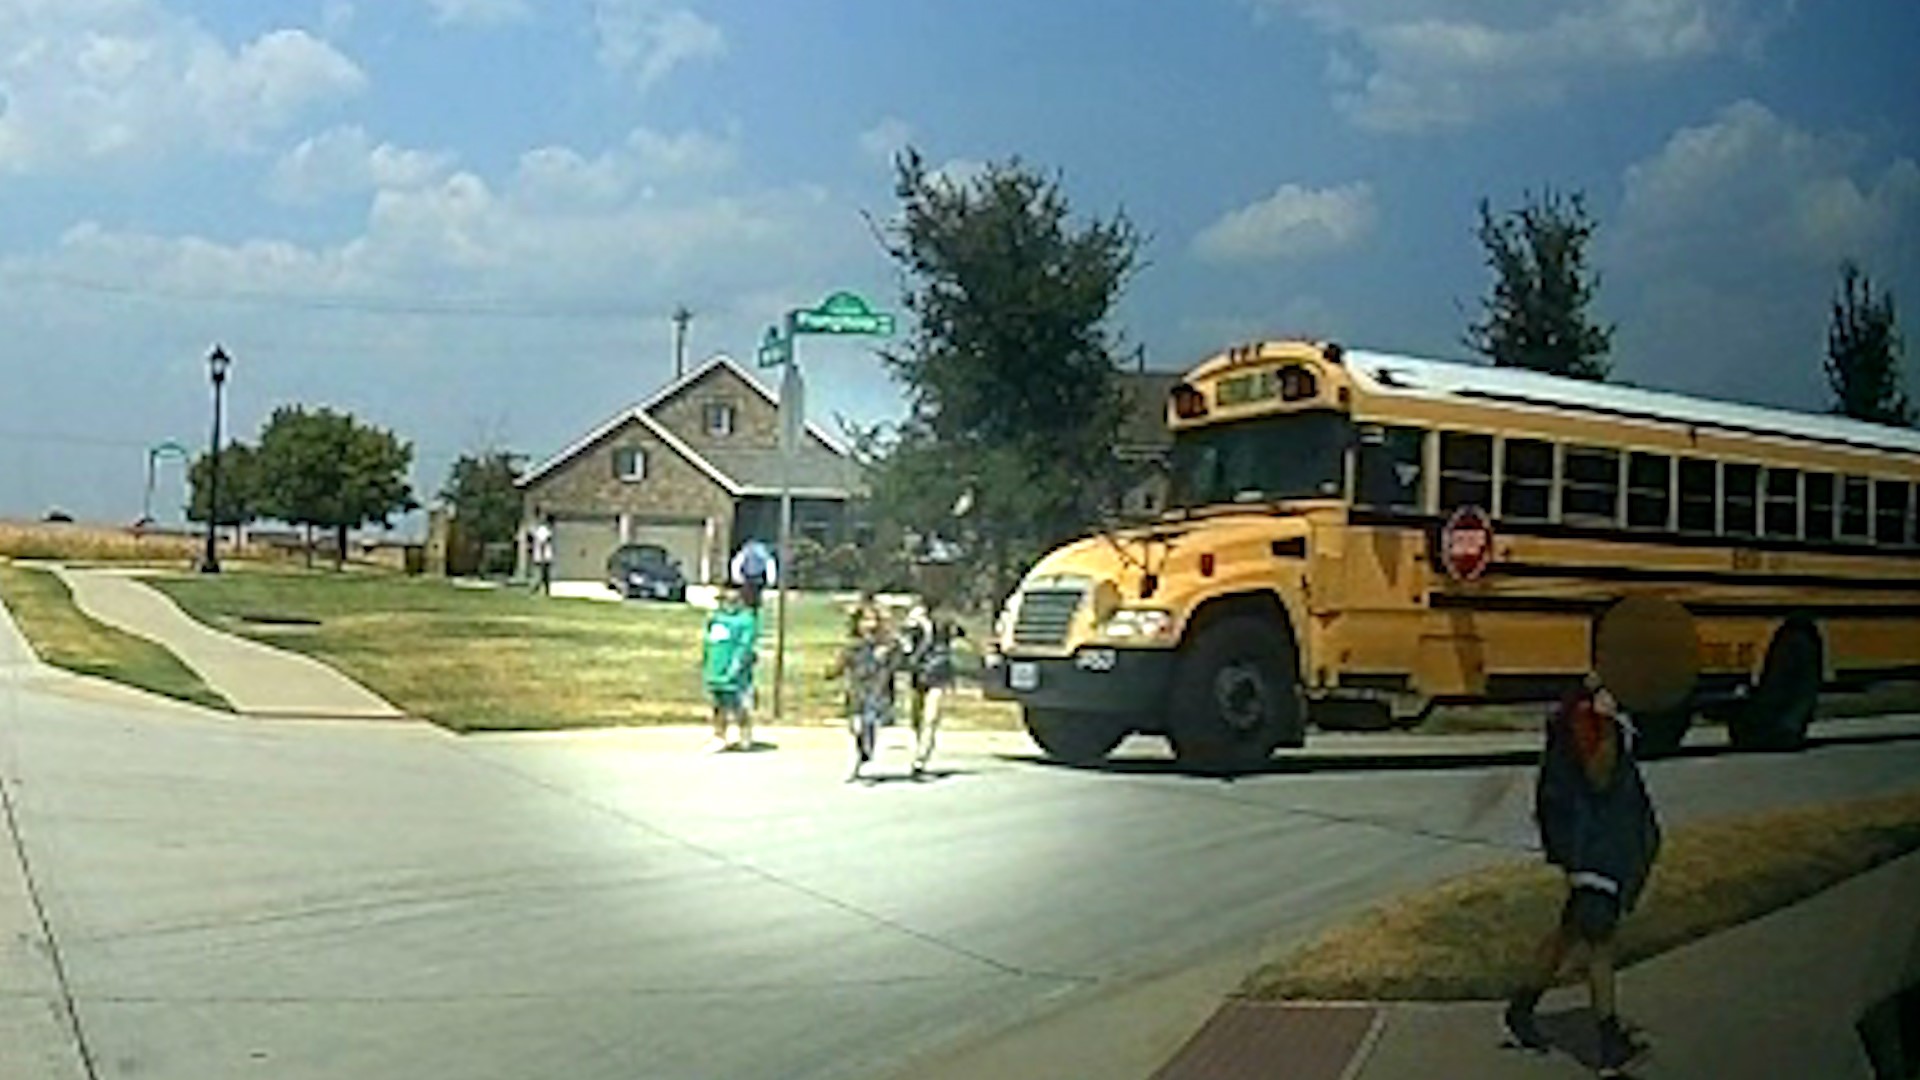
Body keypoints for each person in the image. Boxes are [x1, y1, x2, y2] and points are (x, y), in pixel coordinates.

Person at [1504, 673, 1662, 1076]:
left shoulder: (1592, 709)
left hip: (1596, 839)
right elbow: (1599, 776)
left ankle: (1522, 1008)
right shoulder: (1586, 717)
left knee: (1571, 930)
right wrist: (1608, 723)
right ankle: (1609, 1045)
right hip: (1592, 842)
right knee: (1600, 940)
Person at [825, 601, 897, 781]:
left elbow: (897, 663)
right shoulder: (853, 646)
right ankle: (862, 752)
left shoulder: (886, 645)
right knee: (855, 726)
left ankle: (865, 751)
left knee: (869, 720)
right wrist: (831, 671)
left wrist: (889, 652)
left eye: (873, 620)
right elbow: (839, 665)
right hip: (856, 692)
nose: (869, 625)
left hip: (877, 691)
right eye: (865, 621)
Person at [900, 601, 964, 778]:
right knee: (916, 717)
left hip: (938, 674)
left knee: (931, 717)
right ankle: (920, 746)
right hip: (918, 675)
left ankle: (920, 760)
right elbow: (904, 647)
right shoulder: (912, 626)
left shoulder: (943, 623)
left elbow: (960, 634)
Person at [700, 586, 759, 752]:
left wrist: (736, 666)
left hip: (736, 673)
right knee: (718, 705)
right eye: (724, 600)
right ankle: (719, 736)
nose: (727, 604)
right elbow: (708, 643)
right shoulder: (716, 619)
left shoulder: (746, 620)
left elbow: (745, 646)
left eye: (732, 601)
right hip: (715, 668)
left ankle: (745, 735)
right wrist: (706, 663)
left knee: (739, 705)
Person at [729, 538, 777, 610]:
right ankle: (753, 609)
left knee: (749, 598)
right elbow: (769, 563)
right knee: (753, 598)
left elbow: (736, 563)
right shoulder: (760, 552)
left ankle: (750, 609)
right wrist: (771, 579)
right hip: (755, 577)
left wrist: (736, 577)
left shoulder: (747, 551)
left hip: (751, 577)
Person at [530, 515, 555, 595]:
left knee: (545, 575)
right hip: (542, 557)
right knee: (543, 574)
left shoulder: (547, 530)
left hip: (545, 556)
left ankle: (543, 590)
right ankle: (536, 589)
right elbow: (542, 543)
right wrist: (542, 556)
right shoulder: (543, 530)